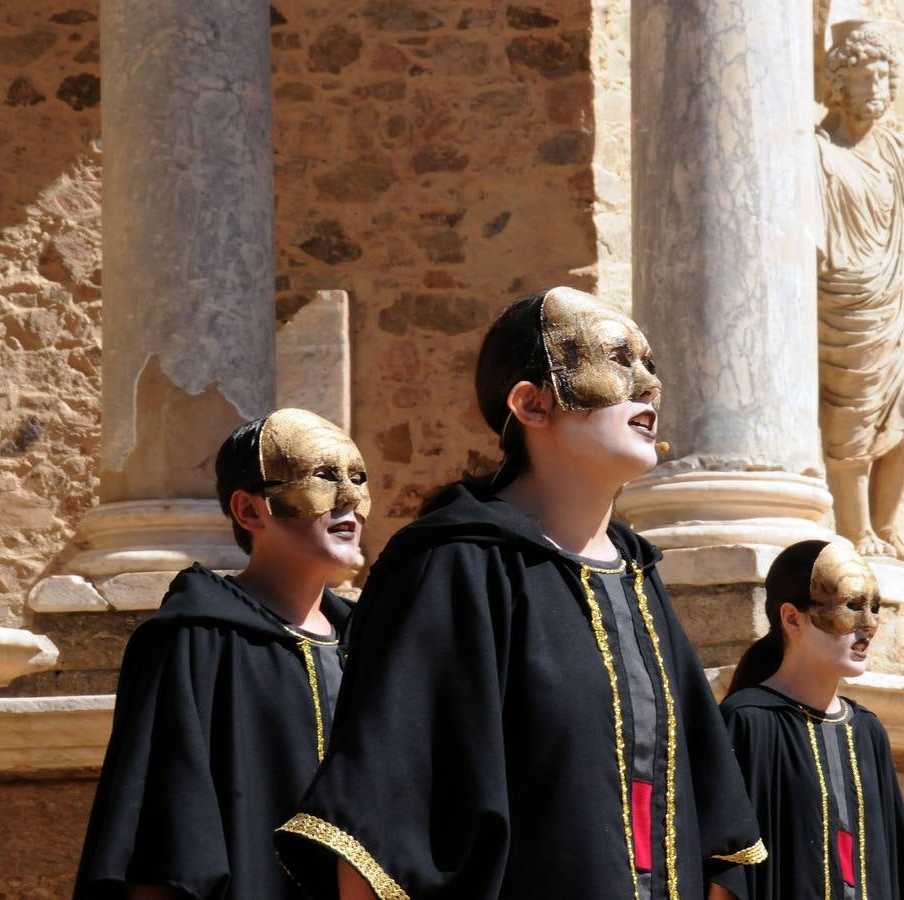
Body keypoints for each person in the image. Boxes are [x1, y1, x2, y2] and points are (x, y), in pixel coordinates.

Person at [275, 287, 765, 899]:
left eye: (650, 365)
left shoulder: (638, 579)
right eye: (617, 360)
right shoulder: (454, 566)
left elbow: (717, 837)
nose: (647, 386)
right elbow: (379, 831)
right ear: (532, 405)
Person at [73, 408, 369, 899]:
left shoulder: (372, 648)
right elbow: (157, 844)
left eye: (358, 478)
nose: (350, 500)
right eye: (322, 477)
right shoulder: (191, 644)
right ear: (250, 511)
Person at [713, 538, 904, 900]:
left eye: (874, 608)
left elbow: (897, 867)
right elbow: (727, 872)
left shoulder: (867, 731)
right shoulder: (749, 723)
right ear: (792, 618)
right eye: (850, 606)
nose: (868, 626)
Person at [815, 20, 904, 561]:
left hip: (896, 297)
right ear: (841, 84)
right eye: (865, 78)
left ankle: (887, 527)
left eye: (884, 77)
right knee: (851, 419)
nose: (877, 88)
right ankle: (854, 530)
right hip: (844, 298)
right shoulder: (818, 152)